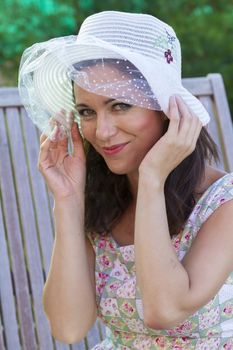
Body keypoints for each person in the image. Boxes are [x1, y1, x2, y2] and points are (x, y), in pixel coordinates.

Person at [18, 10, 233, 350]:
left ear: (165, 109)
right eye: (87, 111)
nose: (101, 132)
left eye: (119, 106)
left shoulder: (224, 204)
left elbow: (164, 310)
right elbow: (68, 326)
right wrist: (68, 200)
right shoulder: (105, 202)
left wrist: (151, 180)